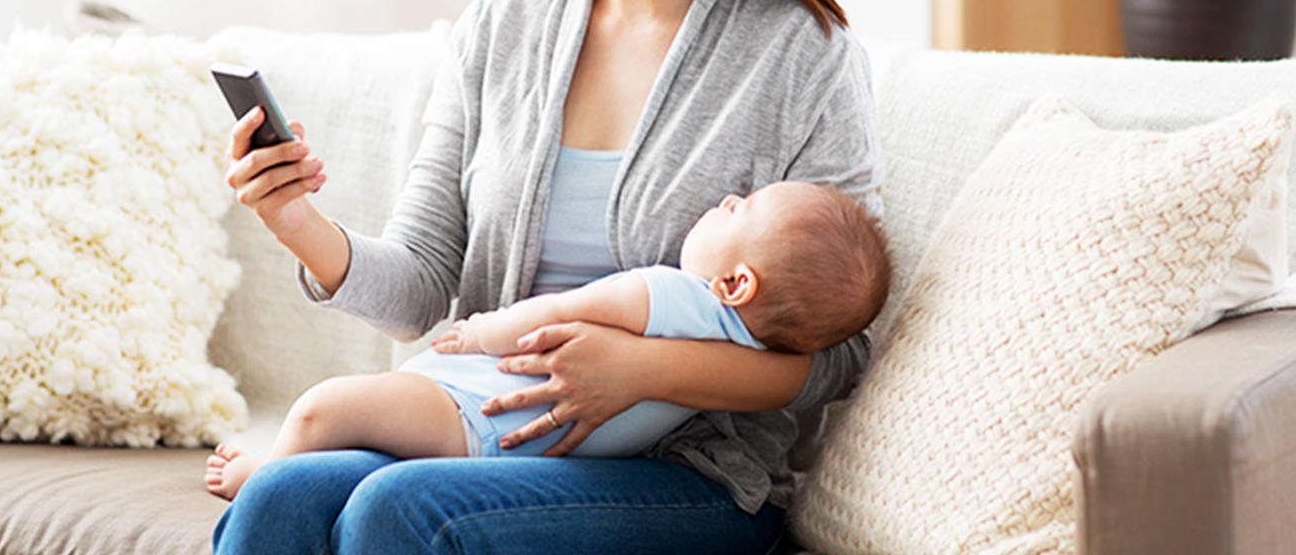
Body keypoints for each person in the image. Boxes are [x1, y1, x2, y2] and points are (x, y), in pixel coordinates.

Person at [211, 0, 884, 555]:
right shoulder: (504, 25)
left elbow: (836, 352)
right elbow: (422, 282)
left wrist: (642, 368)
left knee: (399, 510)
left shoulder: (799, 53)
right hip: (493, 429)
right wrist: (295, 220)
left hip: (689, 477)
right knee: (283, 498)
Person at [206, 180, 889, 499]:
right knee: (326, 473)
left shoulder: (670, 292)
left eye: (739, 208)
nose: (727, 199)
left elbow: (557, 310)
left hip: (479, 413)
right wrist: (298, 223)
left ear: (736, 284)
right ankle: (277, 481)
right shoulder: (752, 344)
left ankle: (258, 475)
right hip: (519, 443)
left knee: (326, 410)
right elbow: (418, 273)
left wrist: (480, 331)